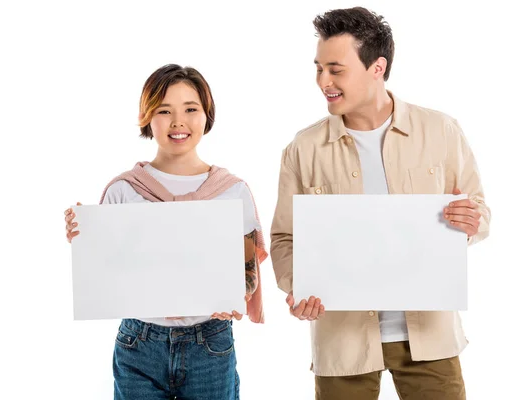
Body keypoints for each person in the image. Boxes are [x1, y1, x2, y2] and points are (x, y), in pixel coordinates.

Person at [270, 7, 490, 400]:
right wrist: (298, 286)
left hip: (430, 338)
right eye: (318, 68)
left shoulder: (440, 130)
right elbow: (285, 238)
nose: (324, 81)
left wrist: (472, 222)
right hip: (342, 341)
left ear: (377, 67)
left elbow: (479, 212)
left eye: (336, 70)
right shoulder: (303, 149)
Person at [64, 64, 267, 400]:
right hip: (139, 343)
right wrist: (83, 238)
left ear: (207, 115)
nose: (178, 122)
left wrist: (235, 296)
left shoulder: (232, 191)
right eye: (164, 110)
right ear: (147, 117)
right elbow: (105, 269)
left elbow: (248, 273)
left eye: (191, 109)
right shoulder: (124, 190)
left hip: (210, 342)